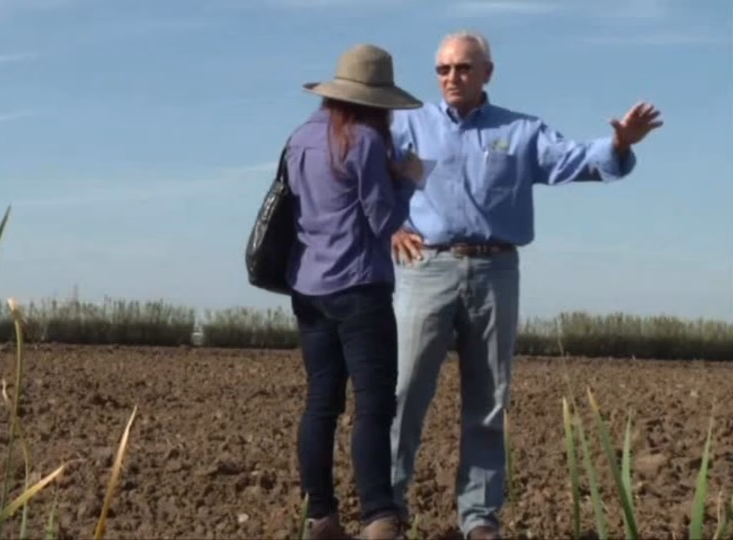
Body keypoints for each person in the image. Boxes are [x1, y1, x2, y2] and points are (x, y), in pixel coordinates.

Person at [387, 31, 663, 540]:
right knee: (404, 392)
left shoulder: (520, 132)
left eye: (464, 68)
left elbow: (577, 159)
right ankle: (388, 509)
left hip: (496, 272)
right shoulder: (406, 125)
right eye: (444, 69)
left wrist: (621, 142)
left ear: (487, 73)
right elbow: (365, 178)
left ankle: (478, 518)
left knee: (489, 399)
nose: (452, 78)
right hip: (426, 268)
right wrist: (389, 226)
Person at [283, 43, 426, 540]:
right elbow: (381, 216)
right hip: (360, 288)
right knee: (373, 404)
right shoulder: (364, 141)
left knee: (321, 402)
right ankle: (378, 518)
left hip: (307, 287)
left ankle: (319, 516)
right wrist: (409, 180)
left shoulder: (300, 137)